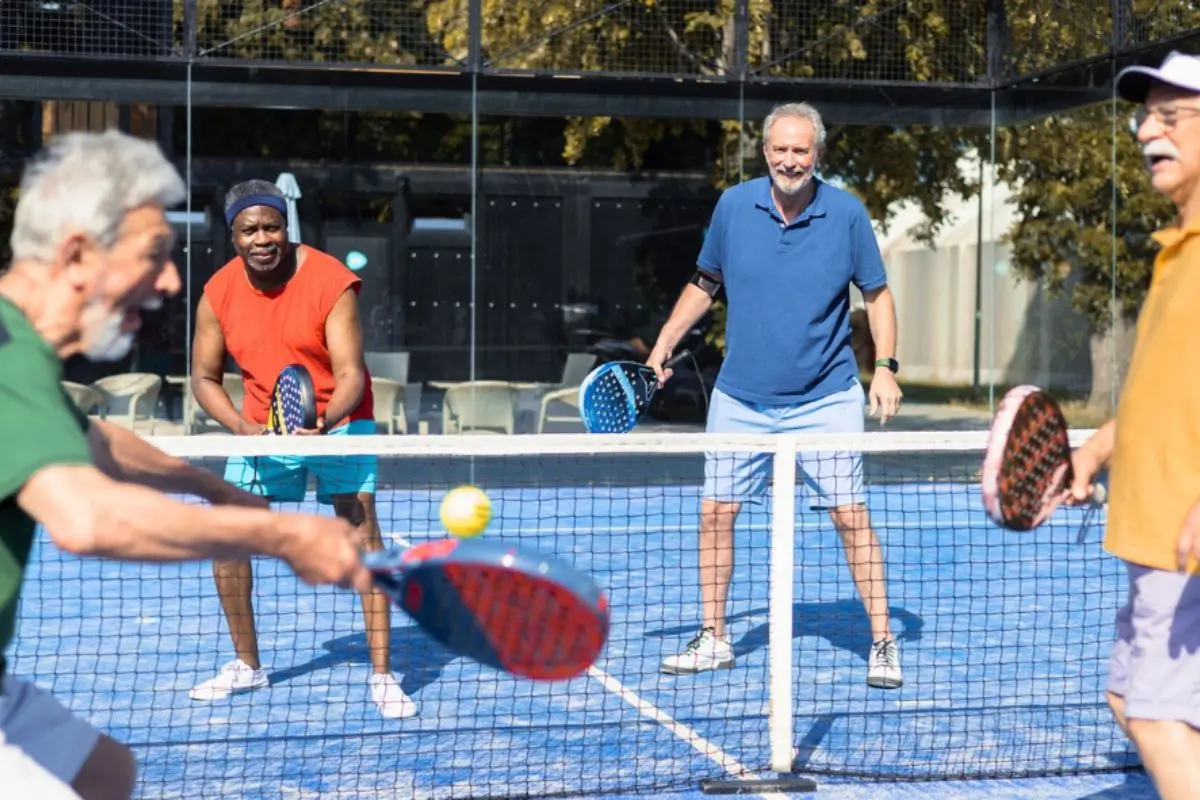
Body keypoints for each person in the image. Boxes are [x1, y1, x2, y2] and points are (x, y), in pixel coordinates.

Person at [0, 130, 373, 799]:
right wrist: (280, 533)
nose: (171, 280)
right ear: (78, 253)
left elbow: (95, 440)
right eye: (151, 255)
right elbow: (88, 520)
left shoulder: (18, 348)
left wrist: (208, 485)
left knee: (106, 774)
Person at [647, 102, 905, 689]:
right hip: (741, 398)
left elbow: (878, 295)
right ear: (765, 151)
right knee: (716, 513)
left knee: (850, 516)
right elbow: (705, 282)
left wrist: (885, 368)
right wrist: (664, 341)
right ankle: (714, 637)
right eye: (781, 149)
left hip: (827, 396)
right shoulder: (733, 207)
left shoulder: (846, 214)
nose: (791, 160)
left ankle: (883, 641)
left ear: (818, 155)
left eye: (802, 150)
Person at [188, 180, 416, 719]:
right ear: (233, 235)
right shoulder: (217, 293)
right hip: (263, 428)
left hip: (339, 422)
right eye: (250, 230)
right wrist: (244, 430)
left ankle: (383, 676)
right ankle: (248, 665)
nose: (263, 238)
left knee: (363, 539)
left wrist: (324, 422)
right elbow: (203, 378)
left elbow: (351, 375)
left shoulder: (330, 281)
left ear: (285, 228)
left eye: (272, 227)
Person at [1069, 51, 1200, 800]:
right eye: (1144, 113)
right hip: (1152, 542)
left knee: (1155, 719)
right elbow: (1162, 387)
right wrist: (1098, 447)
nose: (1147, 127)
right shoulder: (1176, 254)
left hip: (1185, 548)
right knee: (1132, 702)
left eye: (1171, 114)